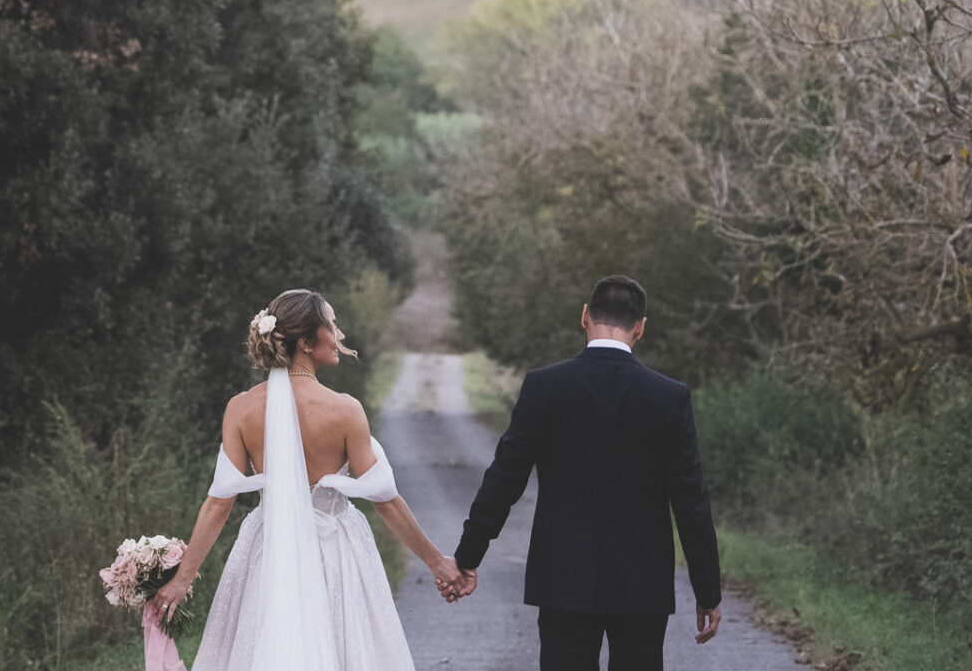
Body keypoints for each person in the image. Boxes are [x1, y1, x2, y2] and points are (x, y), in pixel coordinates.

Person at [152, 288, 463, 671]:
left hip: (267, 551)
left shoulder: (240, 409)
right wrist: (438, 564)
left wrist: (183, 580)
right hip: (336, 554)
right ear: (306, 342)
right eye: (332, 325)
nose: (340, 335)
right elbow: (385, 500)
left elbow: (219, 504)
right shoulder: (346, 411)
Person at [447, 275, 721, 671]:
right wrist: (707, 590)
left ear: (584, 316)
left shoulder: (545, 387)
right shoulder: (668, 397)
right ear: (640, 327)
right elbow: (691, 501)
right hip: (641, 585)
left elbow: (504, 478)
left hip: (562, 578)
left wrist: (468, 556)